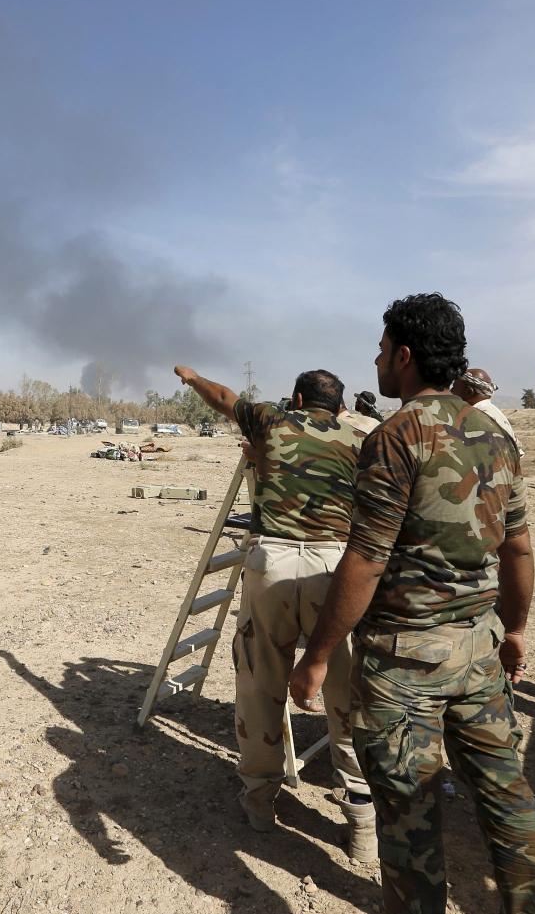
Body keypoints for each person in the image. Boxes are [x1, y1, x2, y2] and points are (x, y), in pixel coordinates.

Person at [289, 293, 535, 914]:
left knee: (410, 822)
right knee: (508, 801)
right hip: (479, 651)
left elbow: (366, 558)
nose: (377, 360)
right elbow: (518, 549)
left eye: (382, 350)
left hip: (405, 663)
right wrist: (514, 629)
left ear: (404, 356)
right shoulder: (494, 432)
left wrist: (319, 654)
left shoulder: (397, 434)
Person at [172, 364, 377, 862]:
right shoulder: (362, 438)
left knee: (261, 681)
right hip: (337, 567)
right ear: (340, 405)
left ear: (299, 400)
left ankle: (260, 803)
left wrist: (193, 378)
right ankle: (363, 825)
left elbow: (223, 396)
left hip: (274, 563)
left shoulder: (271, 420)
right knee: (346, 691)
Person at [452, 367, 524, 456]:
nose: (451, 392)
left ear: (468, 392)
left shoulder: (478, 417)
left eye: (454, 388)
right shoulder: (492, 412)